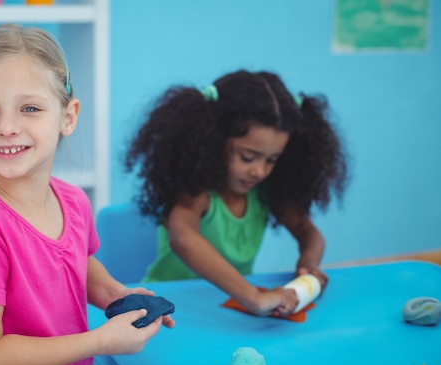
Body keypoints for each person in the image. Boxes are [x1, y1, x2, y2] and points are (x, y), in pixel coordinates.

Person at [0, 23, 174, 365]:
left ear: (68, 116)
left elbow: (77, 263)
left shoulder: (73, 202)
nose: (6, 127)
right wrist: (99, 341)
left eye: (30, 108)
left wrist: (113, 294)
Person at [125, 70, 348, 318]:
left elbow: (311, 234)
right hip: (169, 307)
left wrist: (309, 265)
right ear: (214, 140)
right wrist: (253, 297)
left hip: (228, 307)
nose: (259, 171)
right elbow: (183, 237)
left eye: (272, 160)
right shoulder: (198, 192)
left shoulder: (266, 193)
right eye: (248, 157)